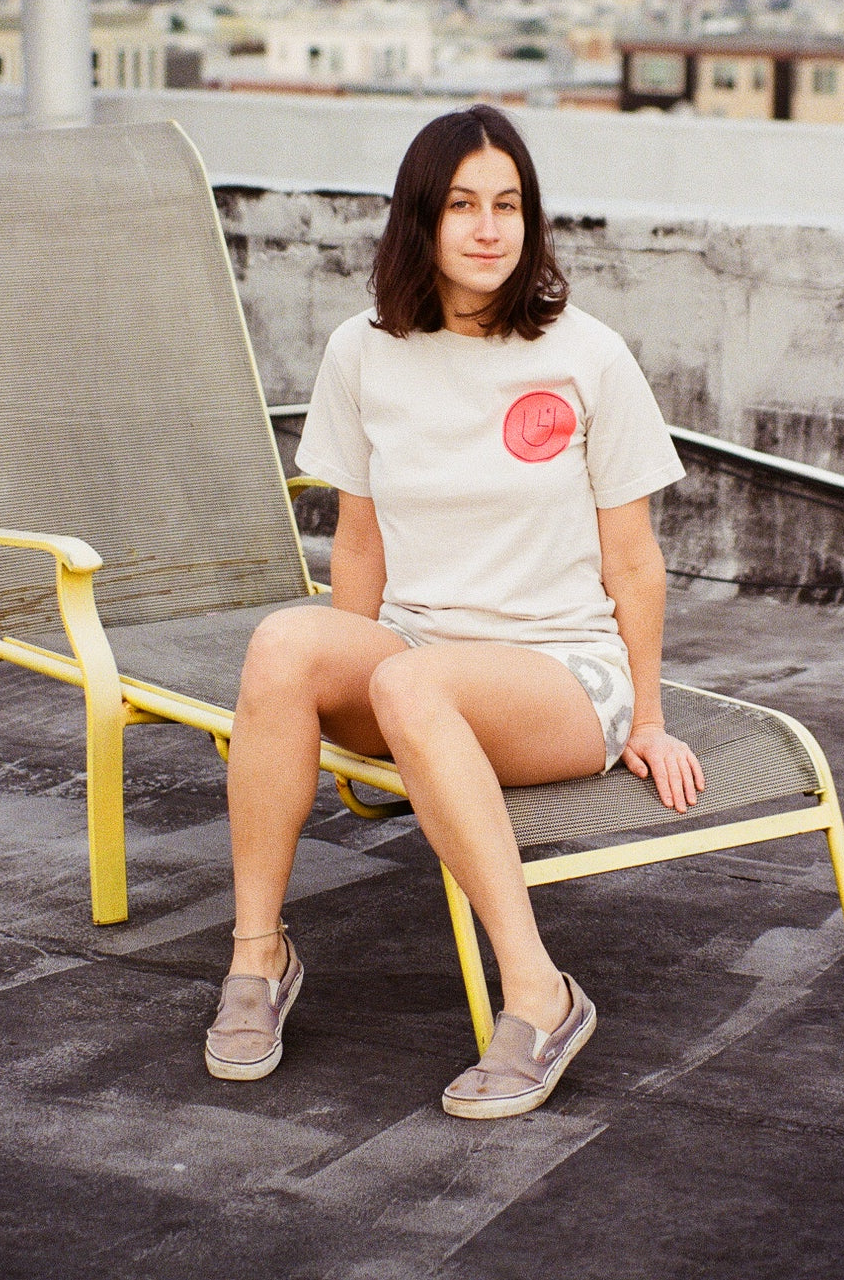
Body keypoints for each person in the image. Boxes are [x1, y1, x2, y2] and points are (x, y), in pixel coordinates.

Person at [205, 104, 704, 1118]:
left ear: (532, 220)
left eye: (509, 204)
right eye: (463, 205)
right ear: (420, 220)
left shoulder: (587, 355)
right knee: (284, 644)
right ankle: (258, 956)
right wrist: (351, 663)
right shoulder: (363, 351)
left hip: (563, 677)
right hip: (418, 661)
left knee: (407, 678)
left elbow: (633, 560)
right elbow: (359, 540)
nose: (489, 228)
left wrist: (645, 718)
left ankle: (540, 994)